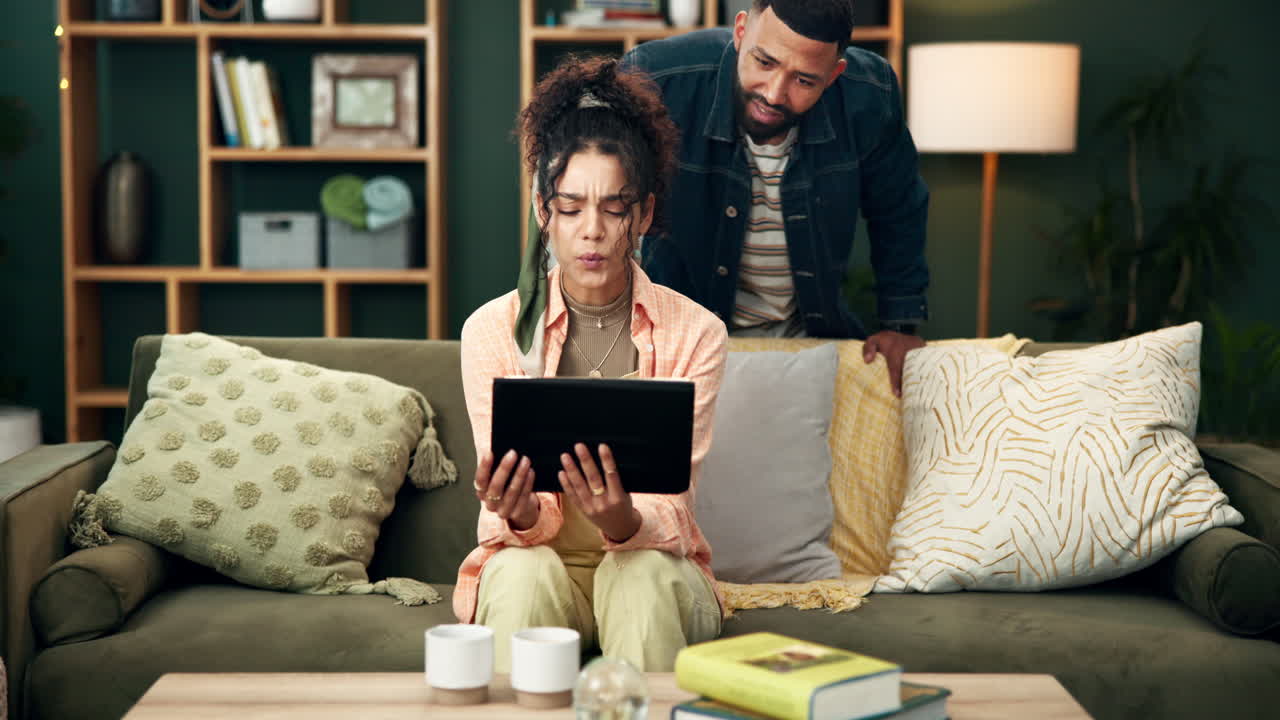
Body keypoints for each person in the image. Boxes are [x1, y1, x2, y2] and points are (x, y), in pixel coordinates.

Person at [453, 56, 727, 673]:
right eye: (571, 207)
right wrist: (517, 509)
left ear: (645, 215)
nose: (592, 232)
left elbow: (675, 510)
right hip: (545, 567)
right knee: (519, 573)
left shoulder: (697, 333)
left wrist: (623, 520)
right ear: (542, 212)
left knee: (642, 573)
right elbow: (513, 521)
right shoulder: (490, 331)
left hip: (651, 569)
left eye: (613, 207)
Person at [622, 0, 928, 394]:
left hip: (809, 344)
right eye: (764, 63)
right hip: (677, 346)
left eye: (804, 80)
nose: (774, 94)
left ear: (834, 74)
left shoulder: (870, 95)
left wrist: (900, 326)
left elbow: (899, 209)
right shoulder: (656, 77)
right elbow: (591, 199)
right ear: (741, 31)